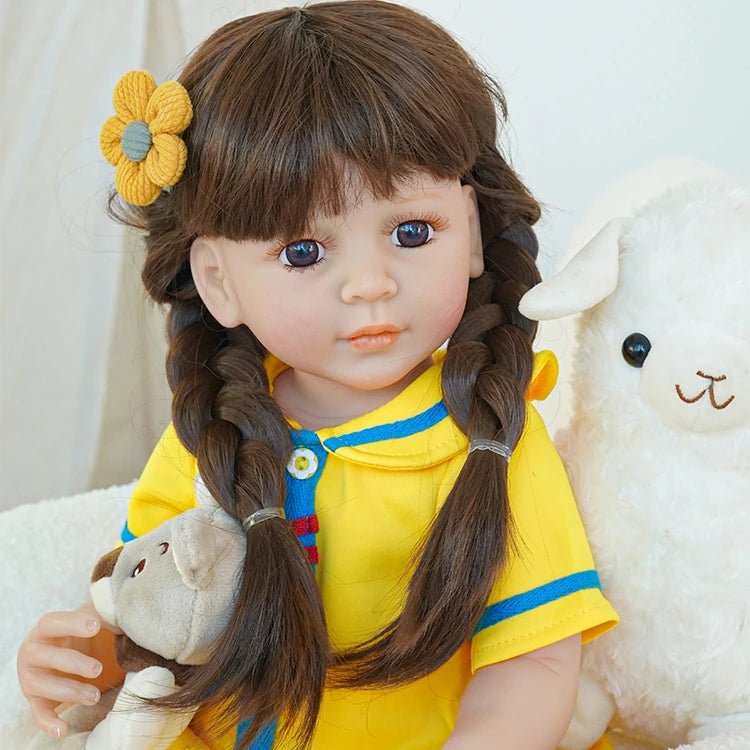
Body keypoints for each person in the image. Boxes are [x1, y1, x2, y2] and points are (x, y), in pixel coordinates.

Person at [17, 2, 618, 748]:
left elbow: (532, 661)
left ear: (470, 231)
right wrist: (85, 662)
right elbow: (160, 621)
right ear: (217, 279)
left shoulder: (487, 438)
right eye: (303, 252)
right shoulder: (215, 430)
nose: (369, 283)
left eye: (411, 232)